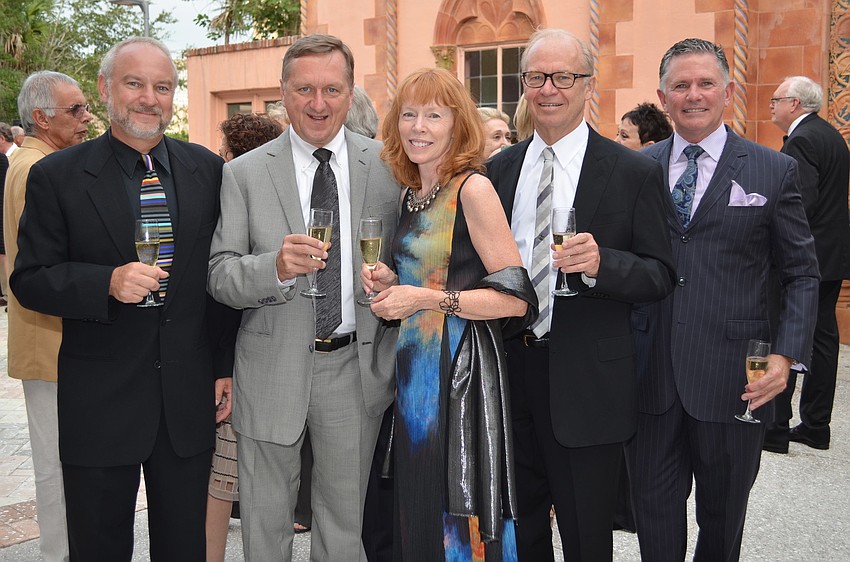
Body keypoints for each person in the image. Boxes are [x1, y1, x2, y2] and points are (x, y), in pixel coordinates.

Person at [10, 37, 232, 560]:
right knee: (99, 547)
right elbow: (30, 278)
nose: (149, 98)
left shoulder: (208, 171)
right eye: (135, 84)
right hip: (100, 400)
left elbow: (217, 279)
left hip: (186, 398)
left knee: (183, 547)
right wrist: (104, 283)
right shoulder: (56, 176)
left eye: (162, 87)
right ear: (107, 89)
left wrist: (223, 365)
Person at [207, 33, 400, 562]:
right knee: (265, 527)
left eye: (332, 89)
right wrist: (272, 267)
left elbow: (410, 259)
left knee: (343, 529)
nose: (318, 104)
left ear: (350, 90)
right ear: (283, 94)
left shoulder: (386, 165)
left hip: (353, 369)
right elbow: (219, 276)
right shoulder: (243, 173)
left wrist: (391, 278)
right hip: (269, 368)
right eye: (305, 90)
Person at [486, 28, 676, 561]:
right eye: (536, 77)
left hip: (588, 383)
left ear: (587, 84)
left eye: (563, 77)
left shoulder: (632, 171)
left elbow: (661, 275)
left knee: (586, 538)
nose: (549, 89)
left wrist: (602, 265)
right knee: (519, 535)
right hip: (508, 374)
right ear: (523, 85)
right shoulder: (498, 171)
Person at [626, 38, 819, 562]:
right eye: (680, 85)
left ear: (728, 92)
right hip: (650, 377)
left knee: (723, 517)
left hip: (736, 379)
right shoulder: (636, 170)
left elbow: (802, 273)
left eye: (705, 83)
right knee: (655, 519)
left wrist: (787, 354)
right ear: (662, 97)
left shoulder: (771, 171)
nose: (694, 95)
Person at [362, 66, 536, 562]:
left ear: (457, 125)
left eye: (433, 116)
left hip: (462, 372)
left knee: (460, 508)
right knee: (419, 506)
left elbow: (516, 297)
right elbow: (429, 277)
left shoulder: (472, 188)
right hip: (416, 366)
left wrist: (424, 299)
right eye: (409, 115)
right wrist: (395, 284)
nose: (418, 127)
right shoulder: (412, 192)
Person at [3, 70, 91, 562]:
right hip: (50, 342)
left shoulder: (35, 162)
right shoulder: (39, 169)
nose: (85, 118)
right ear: (41, 117)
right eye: (74, 110)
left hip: (51, 343)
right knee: (57, 466)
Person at [206, 112, 283, 562]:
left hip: (241, 361)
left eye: (225, 152)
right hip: (241, 362)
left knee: (224, 477)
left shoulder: (236, 200)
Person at [762, 76, 850, 454]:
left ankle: (776, 428)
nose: (771, 107)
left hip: (807, 258)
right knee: (823, 339)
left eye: (776, 100)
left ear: (795, 104)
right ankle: (816, 424)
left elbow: (799, 202)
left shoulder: (802, 140)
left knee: (789, 334)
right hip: (832, 255)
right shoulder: (831, 135)